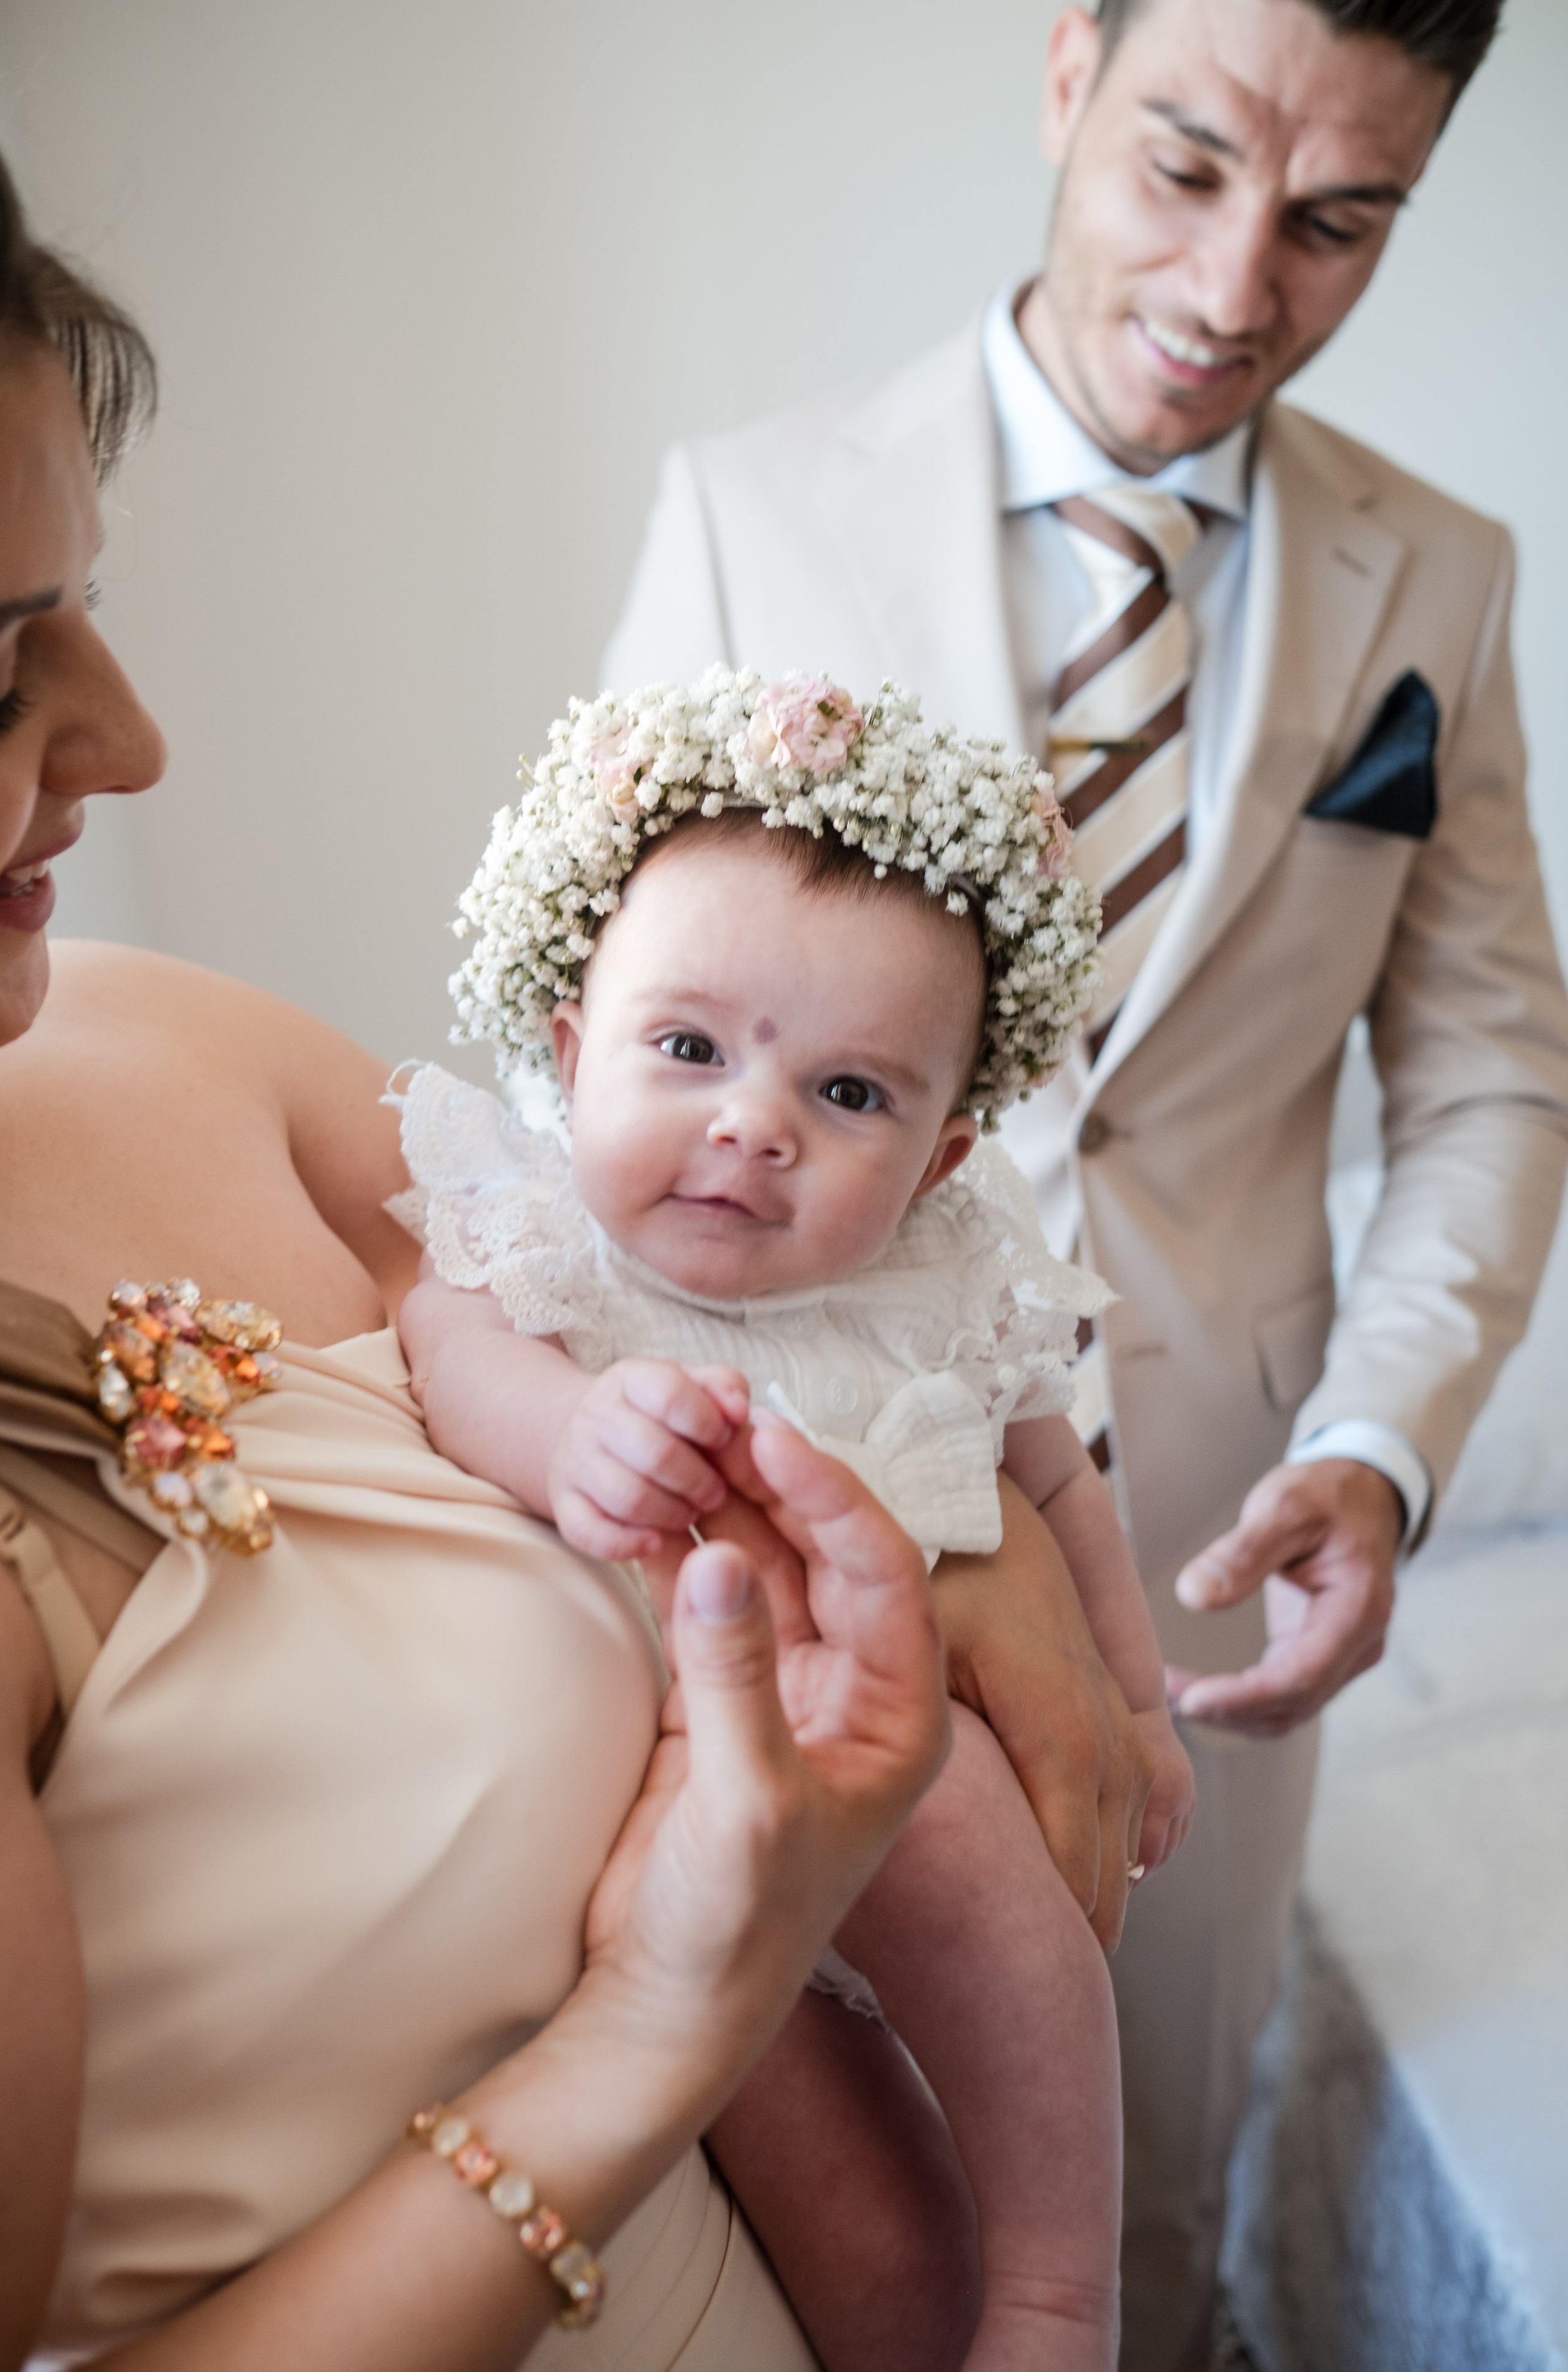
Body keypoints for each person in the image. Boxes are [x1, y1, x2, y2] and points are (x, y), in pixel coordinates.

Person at [598, 0, 1568, 2361]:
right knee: (775, 2187)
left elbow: (1491, 1077)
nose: (1238, 288)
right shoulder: (750, 507)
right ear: (1068, 77)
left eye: (1340, 220)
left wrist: (1381, 1443)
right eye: (1188, 166)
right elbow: (604, 1027)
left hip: (1211, 1529)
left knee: (1147, 2183)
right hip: (773, 1523)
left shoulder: (1438, 577)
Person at [0, 145, 960, 2372]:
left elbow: (659, 1279)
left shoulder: (157, 1039)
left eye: (85, 603)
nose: (134, 740)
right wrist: (660, 2022)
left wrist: (944, 1512)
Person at [395, 670, 1197, 2371]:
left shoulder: (942, 1280)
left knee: (1014, 1937)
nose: (753, 1126)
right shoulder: (537, 1237)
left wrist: (1136, 1706)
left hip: (913, 1773)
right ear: (571, 1052)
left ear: (941, 1158)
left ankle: (1064, 2291)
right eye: (688, 1051)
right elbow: (448, 1352)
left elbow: (1064, 1490)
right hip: (673, 1821)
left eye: (850, 1096)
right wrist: (572, 1433)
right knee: (873, 2238)